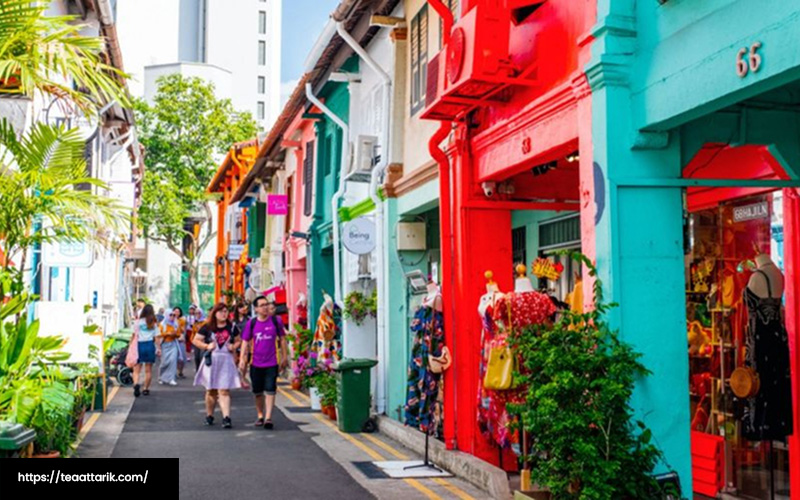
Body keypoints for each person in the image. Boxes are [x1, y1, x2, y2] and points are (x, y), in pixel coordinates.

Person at [239, 297, 288, 429]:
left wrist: (284, 356)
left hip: (272, 362)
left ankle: (268, 418)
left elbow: (282, 340)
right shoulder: (252, 323)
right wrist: (242, 359)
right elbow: (245, 341)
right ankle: (260, 415)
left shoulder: (275, 321)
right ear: (255, 309)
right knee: (258, 392)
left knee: (271, 390)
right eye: (262, 305)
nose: (265, 307)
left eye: (267, 304)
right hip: (255, 363)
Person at [193, 303, 241, 428]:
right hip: (212, 361)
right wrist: (206, 346)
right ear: (214, 313)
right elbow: (196, 340)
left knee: (224, 390)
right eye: (221, 311)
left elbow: (238, 340)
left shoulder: (232, 327)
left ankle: (226, 417)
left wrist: (234, 346)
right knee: (211, 390)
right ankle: (209, 415)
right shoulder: (208, 327)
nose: (224, 314)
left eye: (225, 311)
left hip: (226, 360)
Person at [133, 304, 160, 397]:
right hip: (149, 345)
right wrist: (158, 348)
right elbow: (156, 338)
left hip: (139, 345)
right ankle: (145, 389)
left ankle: (136, 384)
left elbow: (134, 335)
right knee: (148, 370)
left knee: (137, 369)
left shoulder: (138, 322)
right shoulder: (153, 323)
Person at [158, 308, 182, 386]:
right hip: (164, 344)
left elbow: (179, 334)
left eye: (174, 315)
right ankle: (161, 377)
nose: (172, 317)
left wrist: (175, 334)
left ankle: (171, 378)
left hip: (173, 343)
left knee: (173, 360)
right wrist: (167, 333)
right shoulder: (162, 324)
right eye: (170, 315)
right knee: (164, 362)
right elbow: (159, 334)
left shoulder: (176, 323)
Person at [232, 299, 252, 389]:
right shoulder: (233, 320)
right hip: (236, 342)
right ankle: (234, 378)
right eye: (240, 307)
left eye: (244, 307)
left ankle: (243, 379)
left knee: (245, 361)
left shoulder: (248, 319)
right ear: (237, 309)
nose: (243, 309)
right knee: (235, 361)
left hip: (246, 342)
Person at [189, 307, 207, 371]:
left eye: (199, 313)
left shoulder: (205, 322)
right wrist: (192, 340)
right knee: (196, 357)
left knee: (202, 356)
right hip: (196, 342)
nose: (197, 315)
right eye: (195, 313)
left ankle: (202, 371)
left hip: (203, 342)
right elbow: (193, 332)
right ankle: (198, 370)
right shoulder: (195, 323)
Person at [173, 307, 188, 378]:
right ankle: (174, 372)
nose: (176, 313)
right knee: (174, 357)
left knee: (182, 356)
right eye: (175, 311)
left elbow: (183, 330)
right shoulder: (170, 320)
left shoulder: (182, 320)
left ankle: (180, 372)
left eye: (178, 311)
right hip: (173, 340)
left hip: (180, 339)